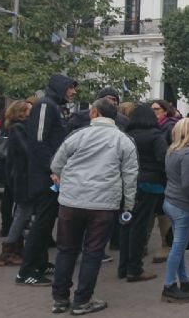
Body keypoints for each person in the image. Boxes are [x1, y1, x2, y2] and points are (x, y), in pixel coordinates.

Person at [49, 98, 139, 315]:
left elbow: (56, 164)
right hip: (103, 204)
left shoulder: (77, 135)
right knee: (93, 252)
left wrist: (65, 180)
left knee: (66, 250)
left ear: (94, 113)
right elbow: (130, 176)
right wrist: (128, 206)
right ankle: (82, 300)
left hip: (71, 202)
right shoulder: (124, 140)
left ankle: (60, 298)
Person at [16, 74, 77, 286]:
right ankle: (26, 271)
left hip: (49, 175)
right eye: (70, 87)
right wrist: (52, 169)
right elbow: (38, 141)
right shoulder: (44, 105)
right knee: (42, 223)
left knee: (46, 222)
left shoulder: (53, 106)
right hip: (44, 177)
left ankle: (40, 263)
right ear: (60, 87)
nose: (73, 91)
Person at [118, 104, 168, 282]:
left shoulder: (125, 135)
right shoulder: (156, 136)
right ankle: (135, 268)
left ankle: (123, 267)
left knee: (126, 223)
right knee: (140, 225)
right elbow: (163, 158)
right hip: (149, 184)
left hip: (127, 183)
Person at [161, 118, 189, 303]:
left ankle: (184, 280)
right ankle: (169, 285)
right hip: (183, 205)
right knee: (178, 247)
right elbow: (188, 183)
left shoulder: (172, 150)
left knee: (179, 245)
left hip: (170, 200)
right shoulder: (188, 154)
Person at [0, 100, 32, 266]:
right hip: (22, 177)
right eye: (29, 109)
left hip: (21, 176)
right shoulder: (19, 128)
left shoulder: (20, 127)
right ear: (21, 112)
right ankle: (8, 250)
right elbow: (27, 152)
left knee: (22, 213)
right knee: (22, 213)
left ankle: (16, 248)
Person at [150, 99, 178, 263]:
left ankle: (166, 244)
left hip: (163, 174)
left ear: (165, 111)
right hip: (153, 174)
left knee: (162, 211)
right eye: (151, 109)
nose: (153, 112)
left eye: (156, 109)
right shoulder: (154, 126)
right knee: (153, 210)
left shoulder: (169, 126)